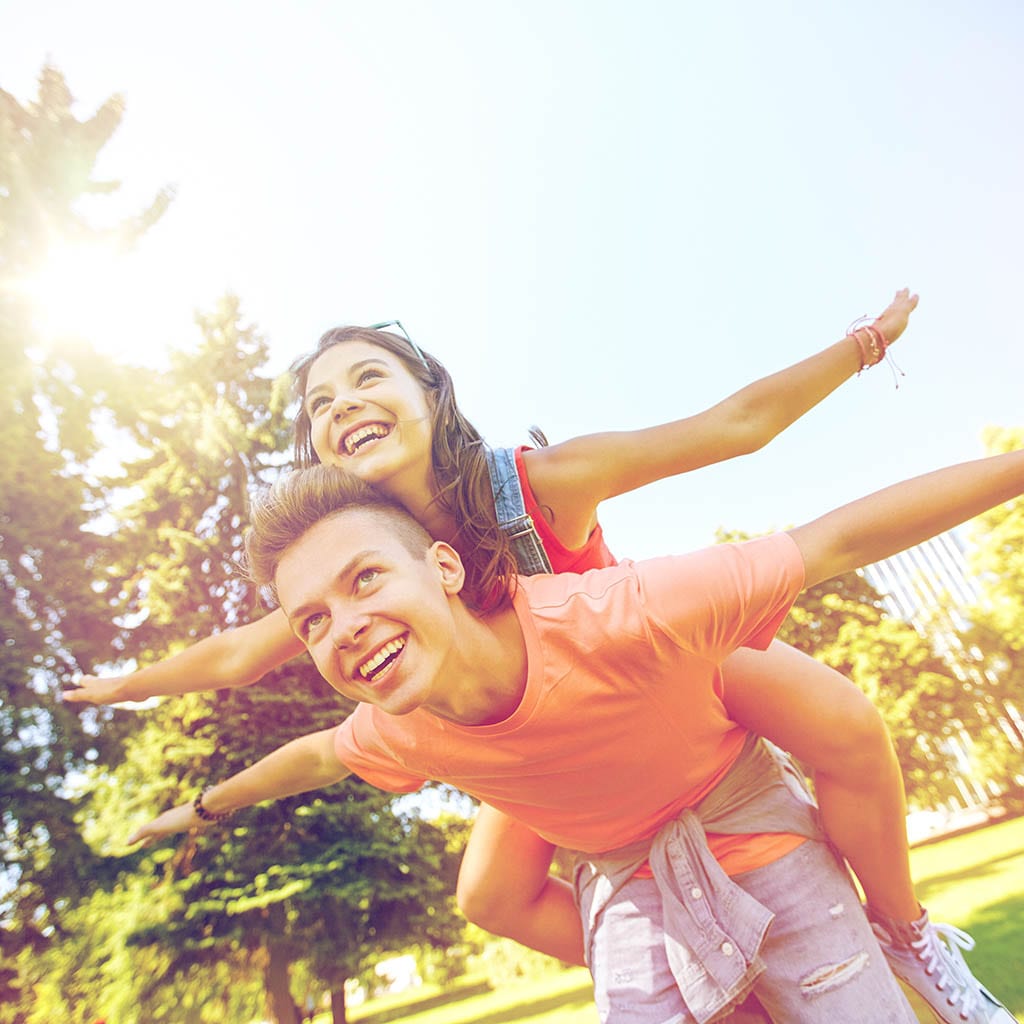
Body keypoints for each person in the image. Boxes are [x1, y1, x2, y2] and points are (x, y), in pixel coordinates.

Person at [65, 296, 1007, 1020]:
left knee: (840, 718)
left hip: (647, 665)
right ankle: (687, 955)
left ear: (431, 395)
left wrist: (863, 345)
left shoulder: (532, 485)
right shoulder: (353, 573)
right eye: (318, 404)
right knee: (486, 892)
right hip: (527, 737)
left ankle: (906, 932)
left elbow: (736, 428)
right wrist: (127, 689)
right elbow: (238, 656)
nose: (342, 404)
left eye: (367, 379)